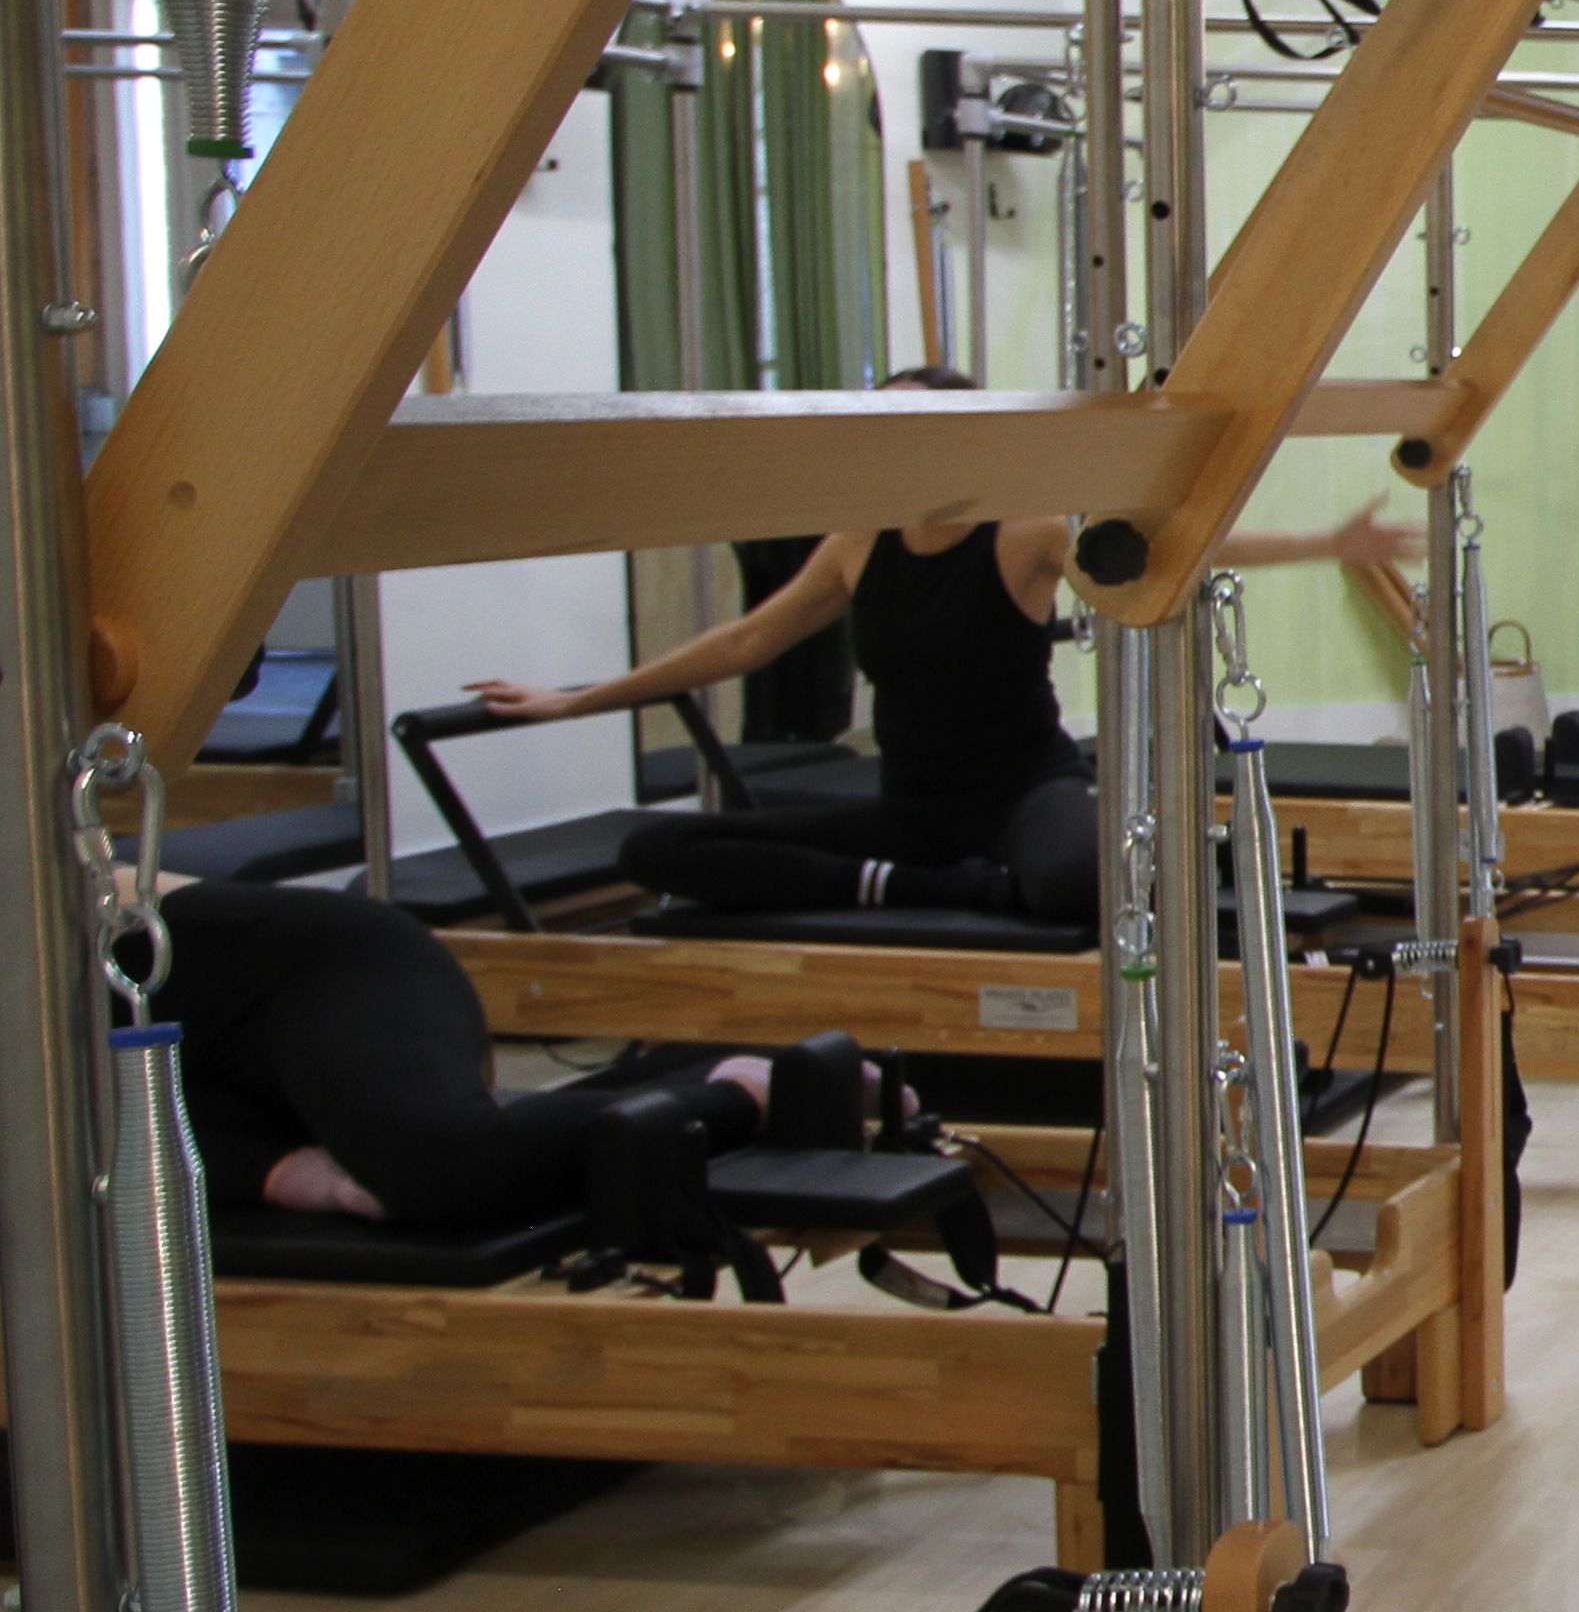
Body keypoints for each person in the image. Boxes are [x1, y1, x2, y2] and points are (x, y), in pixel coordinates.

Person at [469, 387, 1403, 923]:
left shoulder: (1021, 532)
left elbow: (1156, 554)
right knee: (657, 845)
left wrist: (1329, 543)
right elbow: (745, 642)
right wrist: (570, 701)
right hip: (909, 818)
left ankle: (942, 886)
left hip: (1024, 800)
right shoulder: (858, 540)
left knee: (1085, 881)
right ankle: (929, 893)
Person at [135, 876, 799, 1226]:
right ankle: (672, 1075)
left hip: (319, 968)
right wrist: (274, 1173)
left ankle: (746, 1091)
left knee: (443, 1162)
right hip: (208, 1074)